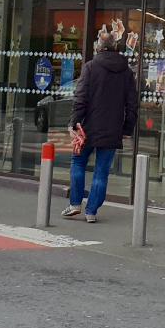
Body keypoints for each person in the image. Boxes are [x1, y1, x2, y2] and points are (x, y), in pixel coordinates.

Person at [64, 20, 138, 223]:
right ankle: (91, 211)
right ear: (115, 47)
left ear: (99, 47)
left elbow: (80, 98)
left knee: (78, 162)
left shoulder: (90, 67)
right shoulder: (126, 72)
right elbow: (132, 104)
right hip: (112, 129)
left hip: (87, 127)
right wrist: (127, 128)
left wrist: (73, 122)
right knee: (102, 171)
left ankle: (75, 204)